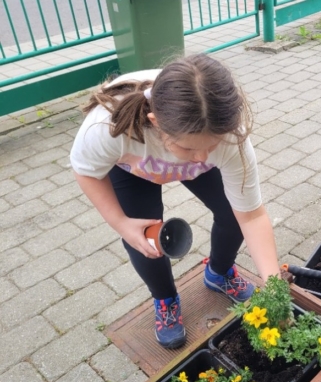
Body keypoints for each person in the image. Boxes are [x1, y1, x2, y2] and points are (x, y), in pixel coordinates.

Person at [70, 53, 281, 349]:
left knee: (232, 215)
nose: (203, 157)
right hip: (134, 167)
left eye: (212, 146)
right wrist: (121, 224)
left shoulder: (226, 135)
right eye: (191, 147)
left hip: (187, 147)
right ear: (156, 123)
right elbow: (86, 171)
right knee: (145, 238)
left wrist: (274, 288)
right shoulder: (108, 126)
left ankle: (219, 272)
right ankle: (165, 298)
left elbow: (252, 216)